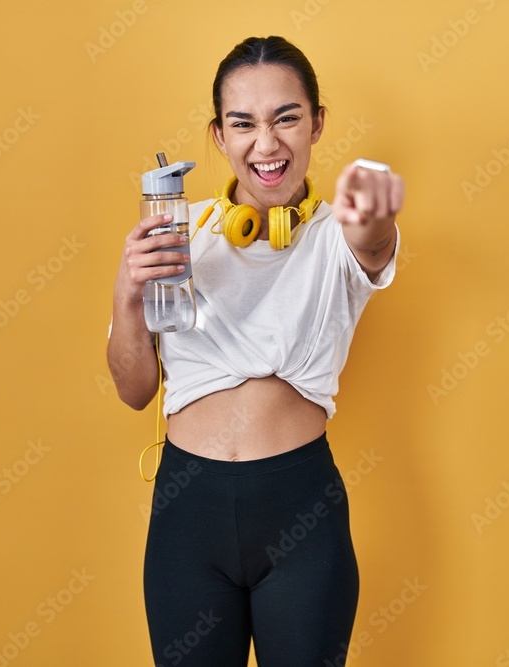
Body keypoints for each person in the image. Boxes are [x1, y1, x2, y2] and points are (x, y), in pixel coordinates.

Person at [108, 35, 403, 667]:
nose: (266, 145)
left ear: (317, 123)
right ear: (219, 136)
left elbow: (373, 238)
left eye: (286, 119)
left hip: (301, 510)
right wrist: (127, 292)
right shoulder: (175, 234)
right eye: (244, 124)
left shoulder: (336, 240)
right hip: (188, 512)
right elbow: (134, 392)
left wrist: (373, 199)